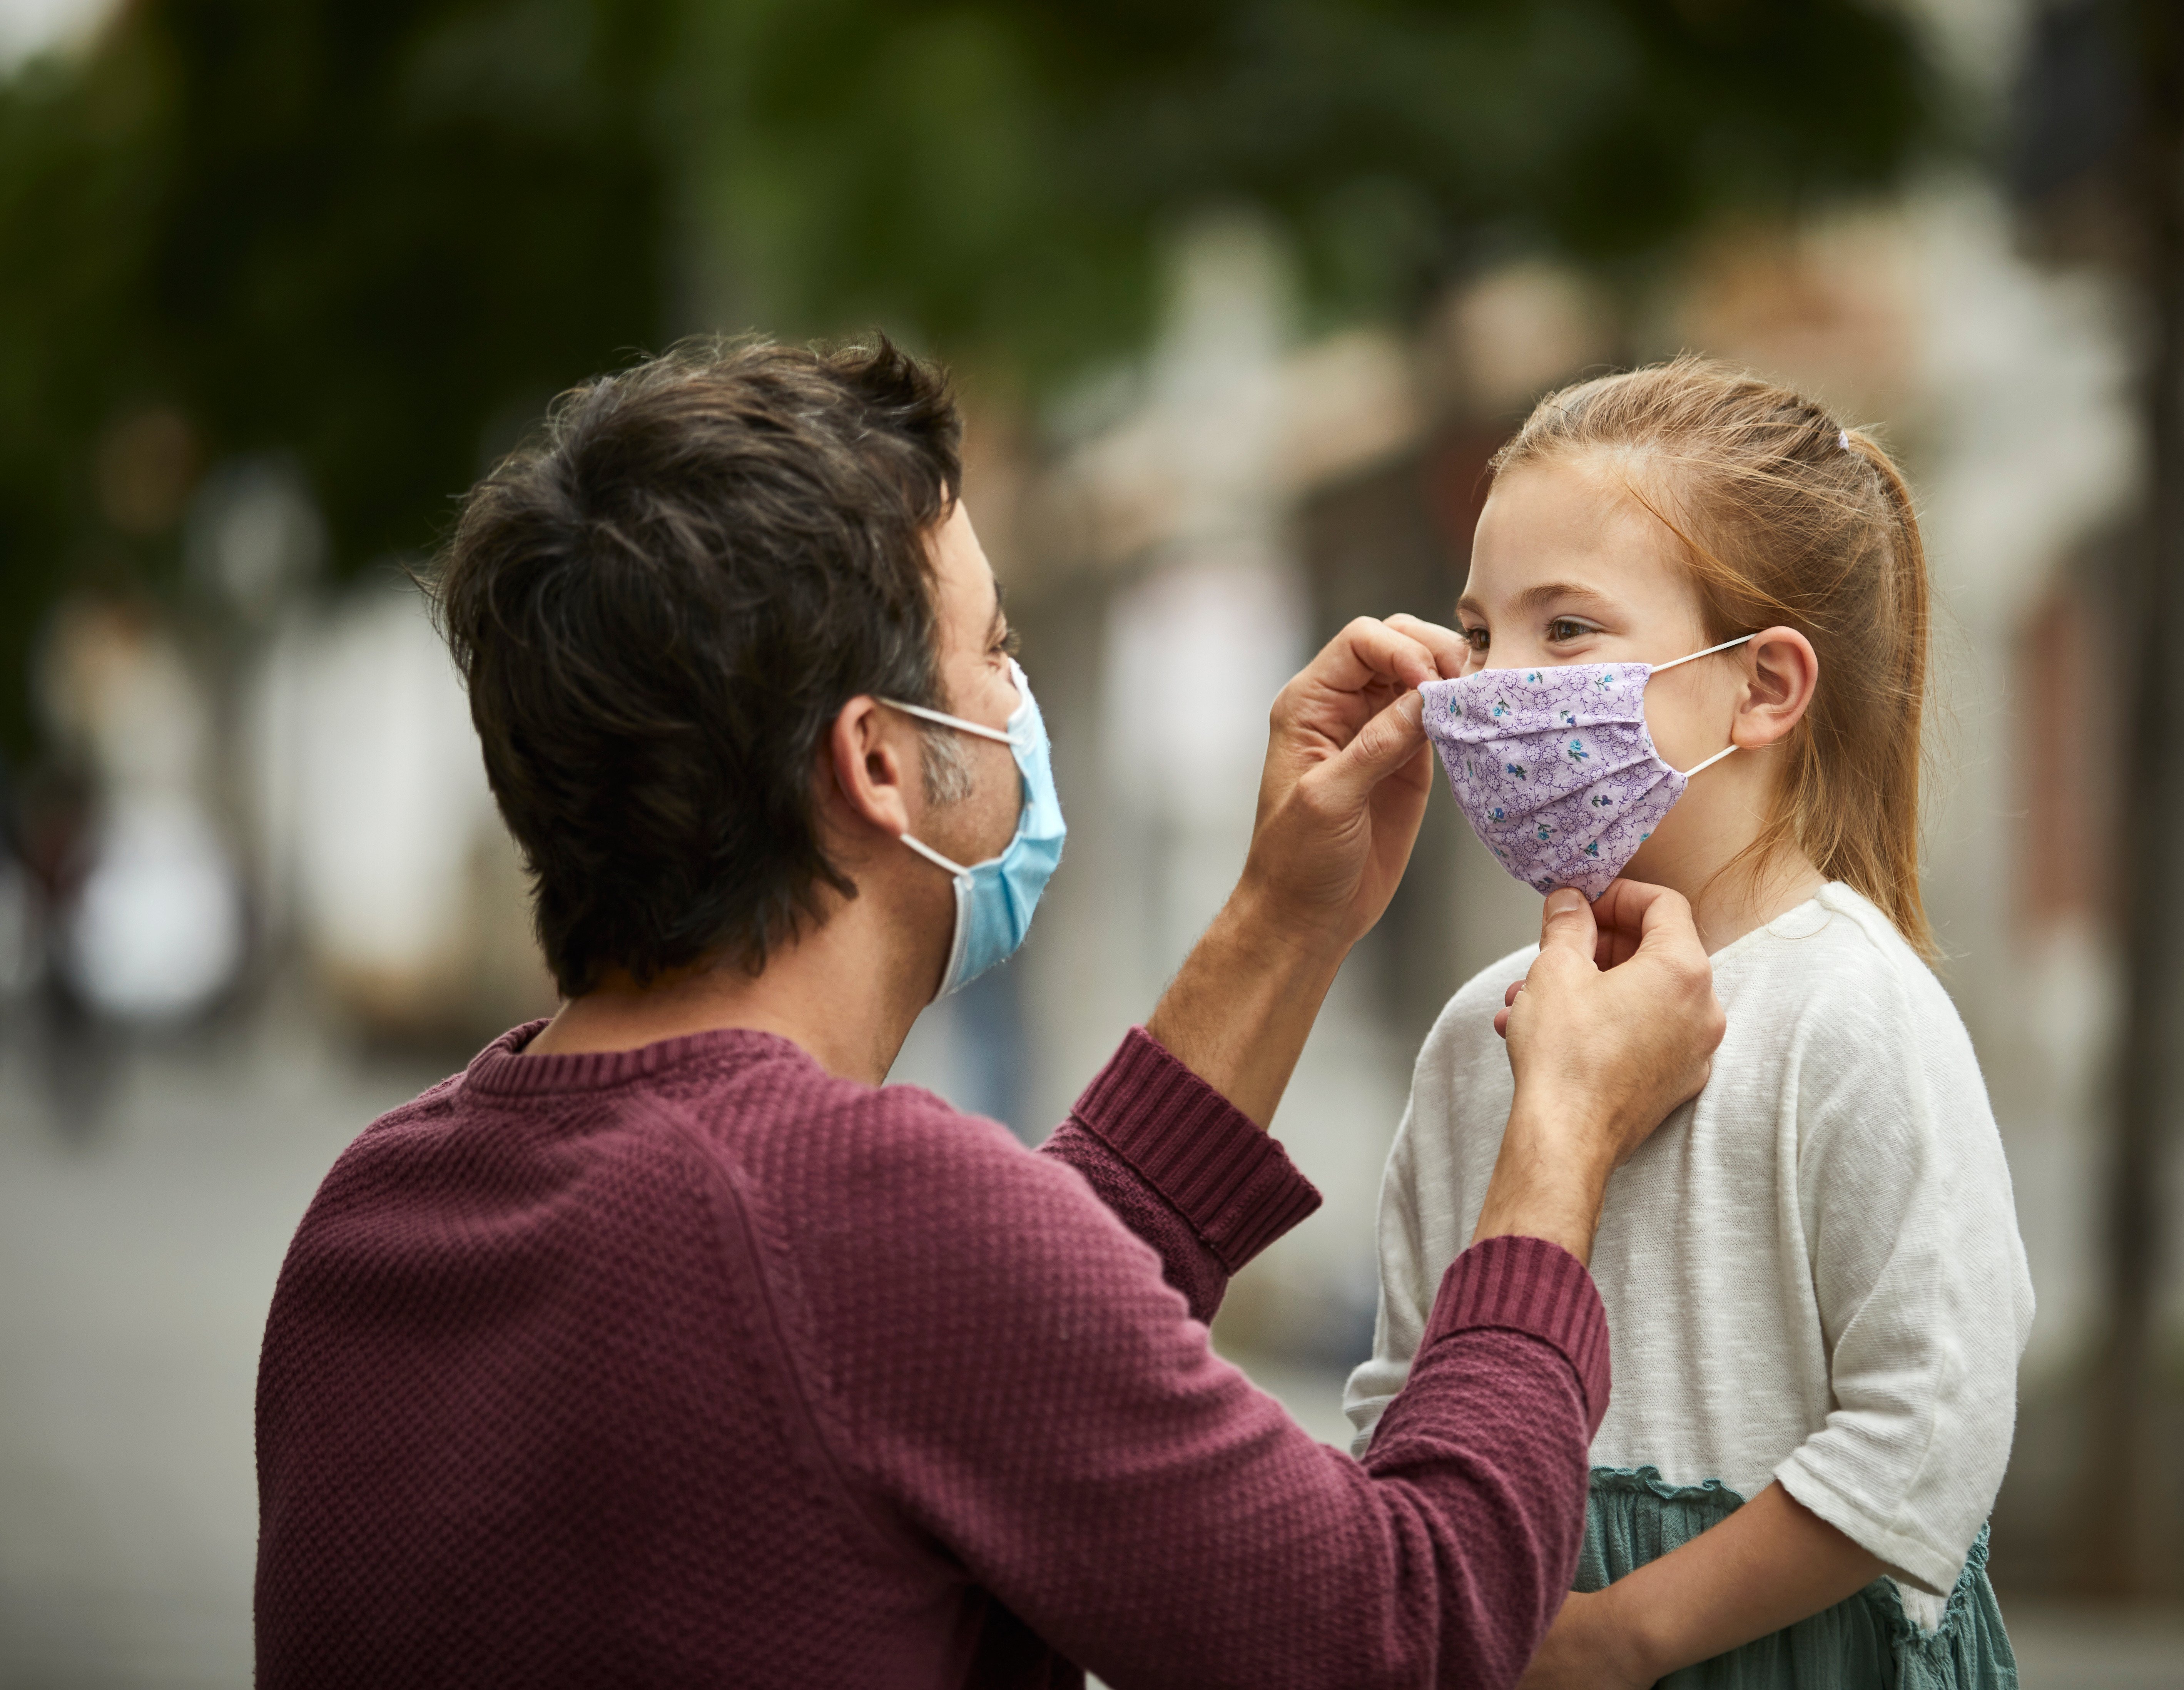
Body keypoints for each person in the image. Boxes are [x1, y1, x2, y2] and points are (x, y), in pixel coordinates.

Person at [251, 338, 1729, 1689]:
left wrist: (1285, 918)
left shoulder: (377, 1212)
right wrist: (1559, 1145)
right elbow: (1406, 1628)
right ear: (881, 763)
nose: (1020, 697)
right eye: (997, 650)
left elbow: (981, 1349)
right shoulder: (861, 1222)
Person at [1343, 358, 2035, 1688]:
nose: (1492, 688)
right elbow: (1396, 1402)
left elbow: (1930, 1429)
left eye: (1567, 630)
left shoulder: (1856, 1013)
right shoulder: (1475, 1032)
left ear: (1763, 687)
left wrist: (1624, 1637)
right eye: (1477, 632)